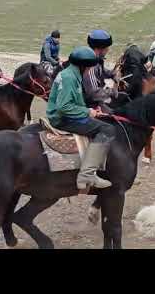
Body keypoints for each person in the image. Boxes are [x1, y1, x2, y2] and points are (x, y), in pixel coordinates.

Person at [46, 46, 116, 190]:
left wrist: (91, 110)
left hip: (68, 114)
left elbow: (75, 100)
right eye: (90, 67)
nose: (91, 70)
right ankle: (87, 174)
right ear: (84, 66)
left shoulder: (70, 73)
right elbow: (64, 107)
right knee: (107, 129)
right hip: (62, 118)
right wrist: (86, 112)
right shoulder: (70, 78)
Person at [82, 29, 118, 108]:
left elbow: (102, 72)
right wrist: (112, 91)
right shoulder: (90, 65)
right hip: (86, 104)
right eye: (107, 48)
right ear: (100, 48)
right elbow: (93, 94)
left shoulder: (97, 60)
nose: (108, 50)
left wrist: (113, 74)